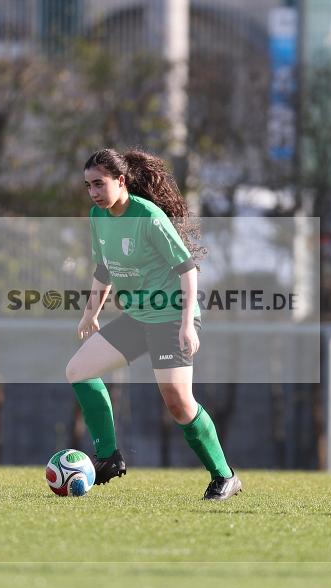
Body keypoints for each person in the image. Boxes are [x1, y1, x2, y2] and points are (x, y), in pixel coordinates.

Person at [65, 148, 242, 501]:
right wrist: (90, 312)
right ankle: (108, 457)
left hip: (171, 317)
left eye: (99, 184)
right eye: (88, 186)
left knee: (177, 402)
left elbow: (187, 269)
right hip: (138, 316)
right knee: (79, 370)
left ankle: (224, 476)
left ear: (121, 180)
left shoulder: (148, 216)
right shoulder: (98, 218)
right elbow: (104, 270)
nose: (94, 192)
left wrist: (188, 324)